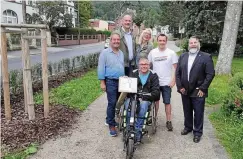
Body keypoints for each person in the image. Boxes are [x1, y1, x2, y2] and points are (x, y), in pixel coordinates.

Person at [176, 36, 215, 143]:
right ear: (188, 45)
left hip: (198, 90)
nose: (192, 44)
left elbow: (210, 74)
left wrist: (203, 88)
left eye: (195, 42)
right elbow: (178, 73)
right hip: (185, 90)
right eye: (191, 43)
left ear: (198, 44)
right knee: (187, 110)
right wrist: (180, 87)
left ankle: (197, 132)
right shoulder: (183, 56)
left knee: (198, 112)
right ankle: (188, 127)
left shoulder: (206, 57)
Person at [124, 58, 160, 143]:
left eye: (146, 64)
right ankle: (128, 129)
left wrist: (146, 96)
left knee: (143, 105)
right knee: (128, 105)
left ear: (149, 65)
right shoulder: (133, 73)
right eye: (142, 64)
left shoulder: (153, 75)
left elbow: (156, 92)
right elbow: (128, 87)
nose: (144, 66)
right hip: (133, 97)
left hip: (146, 98)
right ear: (138, 65)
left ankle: (138, 131)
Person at [148, 34, 178, 131]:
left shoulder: (171, 53)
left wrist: (173, 81)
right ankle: (154, 119)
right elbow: (148, 66)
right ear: (157, 41)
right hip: (156, 83)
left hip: (166, 83)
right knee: (155, 101)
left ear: (166, 41)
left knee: (167, 102)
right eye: (160, 40)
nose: (161, 42)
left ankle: (168, 121)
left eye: (163, 40)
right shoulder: (152, 53)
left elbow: (176, 69)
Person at [97, 32, 125, 137]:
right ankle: (111, 125)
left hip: (121, 81)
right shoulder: (105, 53)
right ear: (111, 41)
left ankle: (109, 119)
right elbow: (100, 68)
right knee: (112, 103)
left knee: (118, 102)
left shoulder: (121, 53)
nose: (116, 41)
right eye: (114, 40)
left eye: (118, 40)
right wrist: (102, 82)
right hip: (110, 81)